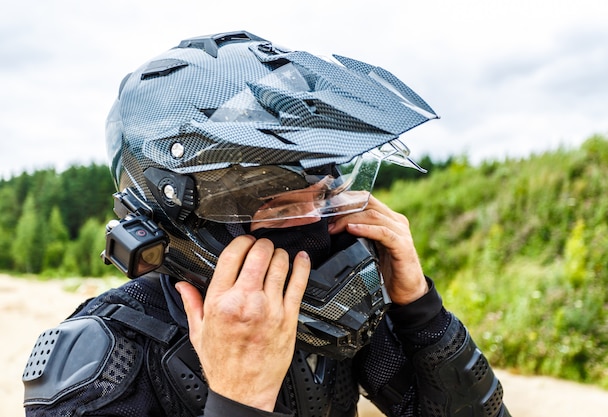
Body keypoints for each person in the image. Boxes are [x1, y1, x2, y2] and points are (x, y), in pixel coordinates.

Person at [22, 31, 511, 417]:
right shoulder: (100, 362)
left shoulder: (327, 313)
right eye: (278, 208)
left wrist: (420, 311)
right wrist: (239, 399)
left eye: (322, 196)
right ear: (178, 217)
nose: (313, 226)